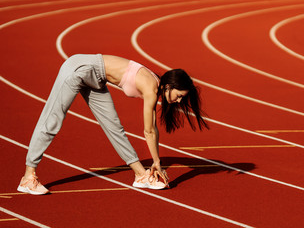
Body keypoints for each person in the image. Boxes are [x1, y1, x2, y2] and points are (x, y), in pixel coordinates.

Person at [17, 54, 209, 195]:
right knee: (53, 119)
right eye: (179, 96)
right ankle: (28, 176)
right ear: (169, 86)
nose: (178, 102)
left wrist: (156, 162)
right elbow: (149, 130)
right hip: (79, 69)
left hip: (96, 80)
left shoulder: (156, 84)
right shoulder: (151, 87)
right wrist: (157, 162)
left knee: (114, 127)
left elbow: (153, 129)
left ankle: (140, 175)